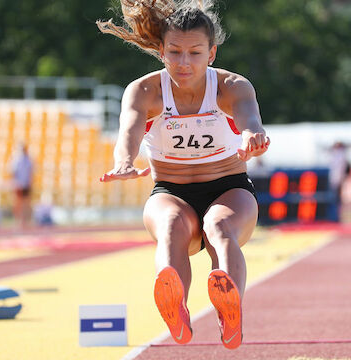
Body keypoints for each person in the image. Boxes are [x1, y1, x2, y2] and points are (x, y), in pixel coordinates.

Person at [97, 0, 270, 349]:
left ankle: (229, 306)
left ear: (212, 53)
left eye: (194, 53)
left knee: (218, 226)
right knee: (172, 225)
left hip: (229, 189)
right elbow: (128, 130)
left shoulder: (232, 86)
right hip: (170, 190)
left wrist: (253, 136)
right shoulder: (144, 91)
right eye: (175, 52)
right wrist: (124, 161)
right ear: (161, 51)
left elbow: (250, 118)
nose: (184, 63)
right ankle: (174, 302)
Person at [10, 143, 33, 229]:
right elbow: (13, 172)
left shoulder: (28, 160)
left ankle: (26, 221)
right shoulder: (16, 160)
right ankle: (18, 221)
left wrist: (30, 183)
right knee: (18, 203)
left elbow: (31, 172)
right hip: (19, 184)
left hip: (26, 184)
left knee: (26, 203)